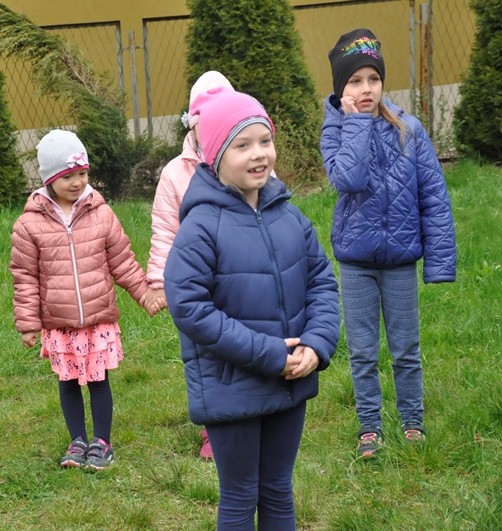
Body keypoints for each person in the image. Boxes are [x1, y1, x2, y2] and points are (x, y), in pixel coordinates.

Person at [164, 87, 340, 530]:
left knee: (278, 489)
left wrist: (316, 344)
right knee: (241, 495)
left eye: (265, 140)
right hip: (233, 385)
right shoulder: (201, 226)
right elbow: (189, 306)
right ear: (215, 156)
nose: (259, 153)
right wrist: (268, 353)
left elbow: (322, 281)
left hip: (291, 377)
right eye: (242, 145)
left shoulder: (290, 216)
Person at [321, 29, 456, 457]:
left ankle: (412, 421)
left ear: (383, 82)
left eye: (373, 79)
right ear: (340, 89)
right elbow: (349, 178)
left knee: (406, 348)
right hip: (356, 262)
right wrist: (357, 124)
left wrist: (439, 262)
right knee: (362, 352)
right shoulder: (335, 131)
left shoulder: (409, 130)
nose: (366, 89)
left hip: (400, 260)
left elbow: (434, 197)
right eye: (355, 81)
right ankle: (370, 427)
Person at [10, 129, 159, 471]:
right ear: (49, 179)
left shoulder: (101, 214)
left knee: (99, 381)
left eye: (82, 173)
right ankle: (77, 440)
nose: (77, 182)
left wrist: (144, 294)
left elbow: (123, 262)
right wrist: (29, 323)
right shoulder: (29, 224)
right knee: (67, 383)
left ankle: (102, 442)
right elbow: (24, 277)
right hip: (59, 323)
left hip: (97, 319)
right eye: (68, 176)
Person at [147, 70, 234, 461]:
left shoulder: (245, 160)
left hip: (240, 279)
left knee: (240, 350)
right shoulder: (174, 173)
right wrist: (158, 281)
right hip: (194, 285)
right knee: (200, 358)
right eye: (205, 119)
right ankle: (213, 426)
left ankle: (245, 417)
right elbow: (165, 230)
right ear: (192, 123)